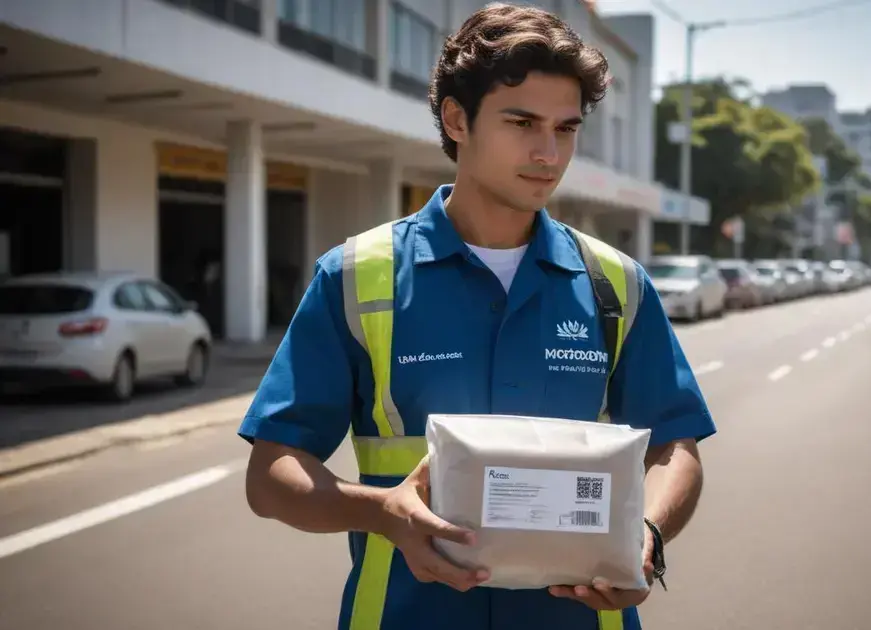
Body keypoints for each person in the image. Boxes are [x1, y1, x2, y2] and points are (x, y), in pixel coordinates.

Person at [238, 3, 716, 629]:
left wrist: (647, 536)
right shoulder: (355, 277)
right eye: (522, 122)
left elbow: (675, 446)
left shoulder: (617, 285)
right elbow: (272, 474)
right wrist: (381, 510)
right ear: (457, 118)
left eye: (566, 129)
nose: (548, 153)